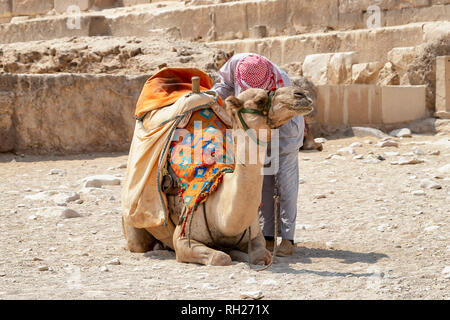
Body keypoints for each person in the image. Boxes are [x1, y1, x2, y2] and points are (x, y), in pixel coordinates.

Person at [212, 53, 304, 256]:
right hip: (254, 132)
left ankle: (288, 239)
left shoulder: (281, 81)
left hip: (285, 132)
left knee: (286, 184)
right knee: (262, 181)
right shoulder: (236, 65)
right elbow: (224, 86)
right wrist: (212, 96)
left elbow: (287, 109)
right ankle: (268, 236)